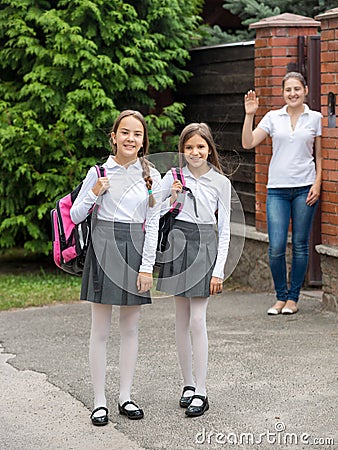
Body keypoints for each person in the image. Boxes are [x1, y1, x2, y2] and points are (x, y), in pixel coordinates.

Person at [70, 110, 161, 425]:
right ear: (114, 136)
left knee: (131, 328)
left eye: (137, 134)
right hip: (104, 247)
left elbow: (153, 224)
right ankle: (99, 401)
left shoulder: (151, 176)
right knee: (100, 329)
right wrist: (96, 193)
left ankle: (125, 396)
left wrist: (146, 267)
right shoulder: (98, 172)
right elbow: (76, 215)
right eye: (125, 132)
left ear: (143, 140)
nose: (131, 139)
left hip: (134, 251)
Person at [157, 123, 231, 417]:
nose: (195, 152)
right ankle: (187, 384)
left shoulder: (220, 182)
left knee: (197, 321)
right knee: (180, 319)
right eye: (189, 148)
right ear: (182, 150)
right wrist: (170, 198)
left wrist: (219, 270)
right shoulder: (173, 177)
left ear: (209, 149)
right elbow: (153, 213)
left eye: (200, 147)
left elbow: (224, 230)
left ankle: (202, 390)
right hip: (177, 244)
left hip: (204, 247)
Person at [242, 72, 322, 316]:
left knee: (299, 244)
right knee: (276, 245)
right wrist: (249, 115)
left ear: (305, 90)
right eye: (288, 89)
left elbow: (319, 156)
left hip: (304, 188)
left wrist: (317, 184)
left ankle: (293, 298)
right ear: (283, 92)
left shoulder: (315, 118)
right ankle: (280, 297)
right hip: (277, 190)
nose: (293, 93)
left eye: (297, 89)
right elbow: (248, 143)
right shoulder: (272, 117)